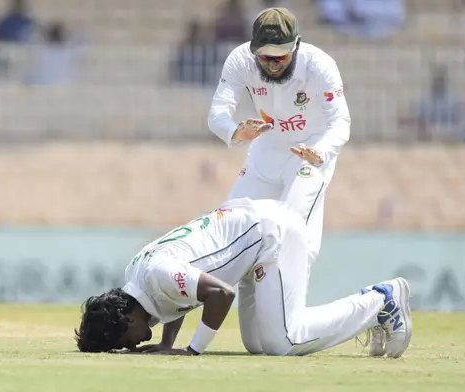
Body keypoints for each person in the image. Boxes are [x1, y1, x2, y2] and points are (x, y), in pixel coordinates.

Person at [75, 198, 412, 358]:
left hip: (271, 233)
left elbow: (220, 294)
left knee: (283, 342)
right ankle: (375, 308)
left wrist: (193, 350)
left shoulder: (157, 274)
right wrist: (166, 343)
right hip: (252, 241)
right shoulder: (140, 280)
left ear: (127, 317)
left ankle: (382, 299)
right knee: (258, 345)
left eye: (123, 340)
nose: (131, 345)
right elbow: (182, 295)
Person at [207, 7, 349, 268]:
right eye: (264, 57)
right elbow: (217, 113)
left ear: (296, 45)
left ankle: (291, 306)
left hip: (308, 157)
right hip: (266, 153)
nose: (272, 65)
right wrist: (235, 131)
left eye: (280, 57)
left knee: (293, 240)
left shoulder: (320, 65)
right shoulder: (240, 59)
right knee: (229, 230)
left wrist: (322, 151)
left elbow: (341, 122)